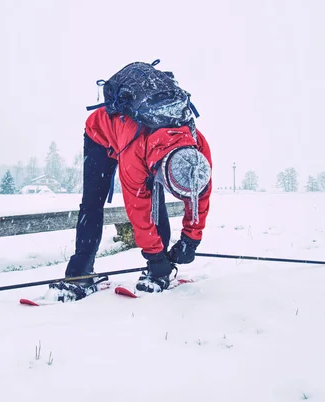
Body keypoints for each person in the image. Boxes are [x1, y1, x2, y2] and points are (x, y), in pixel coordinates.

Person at [50, 103, 212, 299]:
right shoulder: (134, 154)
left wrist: (191, 239)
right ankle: (80, 273)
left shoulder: (198, 150)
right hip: (102, 135)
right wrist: (154, 255)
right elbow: (138, 208)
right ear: (163, 171)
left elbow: (200, 198)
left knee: (155, 200)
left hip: (147, 143)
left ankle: (159, 272)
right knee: (92, 203)